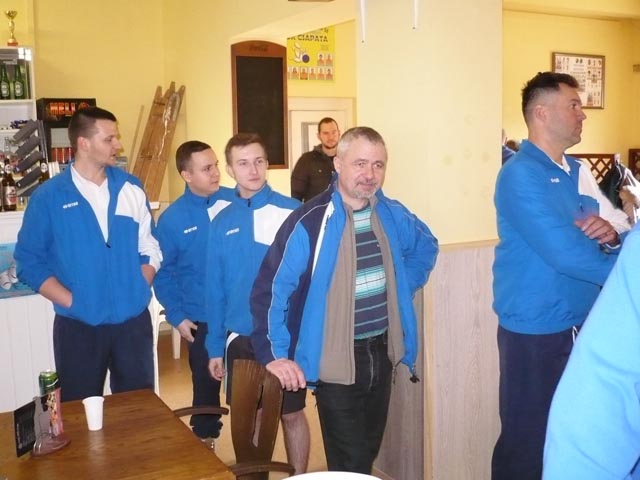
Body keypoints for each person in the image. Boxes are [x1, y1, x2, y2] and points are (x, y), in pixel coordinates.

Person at [251, 126, 439, 474]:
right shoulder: (309, 222)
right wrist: (275, 355)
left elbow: (426, 247)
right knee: (349, 461)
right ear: (338, 164)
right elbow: (269, 290)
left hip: (382, 352)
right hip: (335, 357)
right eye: (360, 163)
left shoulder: (391, 213)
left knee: (365, 452)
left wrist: (400, 286)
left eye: (378, 165)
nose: (370, 174)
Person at [491, 72, 631, 480]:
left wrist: (612, 239)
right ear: (541, 113)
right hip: (536, 330)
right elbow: (566, 253)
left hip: (581, 322)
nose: (582, 114)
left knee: (575, 432)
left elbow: (609, 228)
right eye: (573, 105)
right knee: (528, 439)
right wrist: (629, 277)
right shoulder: (519, 175)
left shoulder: (576, 170)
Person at [14, 106, 162, 402]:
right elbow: (29, 262)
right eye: (109, 139)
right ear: (83, 143)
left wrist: (137, 286)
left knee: (139, 409)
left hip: (132, 323)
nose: (118, 145)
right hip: (77, 326)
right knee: (78, 411)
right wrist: (72, 301)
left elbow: (150, 246)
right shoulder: (49, 197)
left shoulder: (131, 188)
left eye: (116, 138)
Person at [205, 133, 308, 473]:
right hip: (241, 338)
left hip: (283, 337)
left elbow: (308, 280)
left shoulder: (292, 212)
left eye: (259, 161)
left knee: (291, 414)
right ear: (230, 169)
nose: (253, 170)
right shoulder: (221, 222)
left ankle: (299, 476)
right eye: (243, 163)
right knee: (251, 418)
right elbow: (215, 290)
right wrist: (214, 347)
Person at [542, 224, 640, 479]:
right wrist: (623, 267)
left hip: (583, 313)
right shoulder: (520, 190)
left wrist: (615, 242)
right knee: (527, 431)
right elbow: (603, 397)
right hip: (538, 323)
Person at [154, 140, 234, 447]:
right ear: (187, 175)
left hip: (240, 315)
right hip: (201, 318)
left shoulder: (236, 202)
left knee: (249, 387)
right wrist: (176, 316)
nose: (216, 173)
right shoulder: (172, 220)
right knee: (206, 387)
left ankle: (252, 450)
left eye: (216, 166)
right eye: (207, 168)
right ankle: (205, 442)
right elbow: (163, 273)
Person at [290, 117, 340, 202]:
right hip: (316, 210)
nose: (331, 137)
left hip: (344, 210)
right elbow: (296, 196)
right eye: (326, 133)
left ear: (339, 133)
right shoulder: (306, 160)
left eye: (334, 132)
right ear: (319, 136)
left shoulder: (348, 159)